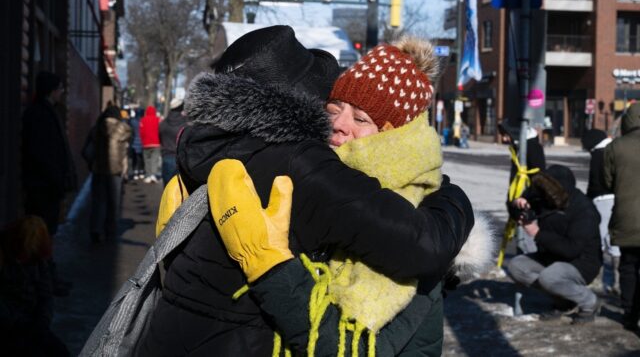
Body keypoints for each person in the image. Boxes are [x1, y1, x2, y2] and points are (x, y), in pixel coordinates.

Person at [139, 25, 475, 356]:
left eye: (361, 119)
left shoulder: (215, 150)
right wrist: (451, 196)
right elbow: (425, 245)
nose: (338, 124)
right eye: (332, 109)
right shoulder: (304, 165)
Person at [507, 165, 602, 324]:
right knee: (517, 266)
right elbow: (518, 210)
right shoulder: (545, 197)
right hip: (551, 256)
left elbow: (572, 249)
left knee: (549, 277)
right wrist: (517, 204)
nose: (542, 196)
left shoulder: (584, 209)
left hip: (581, 262)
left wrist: (537, 233)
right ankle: (564, 301)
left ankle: (589, 302)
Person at [21, 71, 76, 296]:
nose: (62, 92)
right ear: (52, 90)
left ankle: (46, 280)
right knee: (41, 234)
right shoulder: (40, 114)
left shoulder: (44, 112)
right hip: (43, 188)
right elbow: (42, 154)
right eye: (60, 88)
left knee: (45, 234)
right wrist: (56, 181)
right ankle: (42, 282)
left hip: (45, 187)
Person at [0, 216, 70, 356]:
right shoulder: (5, 258)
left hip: (30, 324)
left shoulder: (37, 259)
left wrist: (41, 322)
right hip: (9, 326)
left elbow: (45, 294)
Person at [604, 102, 640, 332]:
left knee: (628, 266)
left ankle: (629, 312)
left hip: (626, 217)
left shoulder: (615, 147)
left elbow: (608, 181)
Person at [582, 128, 620, 296]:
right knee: (614, 241)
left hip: (602, 200)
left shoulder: (598, 154)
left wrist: (587, 200)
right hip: (617, 198)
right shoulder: (614, 150)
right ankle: (616, 282)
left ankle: (602, 280)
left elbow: (594, 182)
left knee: (600, 239)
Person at [89, 105, 132, 243]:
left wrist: (91, 163)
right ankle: (110, 232)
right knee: (113, 203)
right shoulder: (122, 129)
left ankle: (95, 229)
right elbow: (126, 152)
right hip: (116, 171)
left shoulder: (97, 128)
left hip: (98, 169)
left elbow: (86, 150)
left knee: (98, 202)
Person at [159, 98, 188, 185]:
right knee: (180, 190)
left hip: (167, 156)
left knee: (167, 189)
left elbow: (160, 138)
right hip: (181, 159)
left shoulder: (163, 123)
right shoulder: (185, 124)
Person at [139, 106, 161, 183]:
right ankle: (153, 175)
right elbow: (160, 131)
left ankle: (148, 175)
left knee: (147, 160)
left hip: (146, 143)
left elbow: (141, 132)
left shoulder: (143, 120)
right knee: (154, 160)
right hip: (156, 143)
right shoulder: (158, 120)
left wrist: (142, 141)